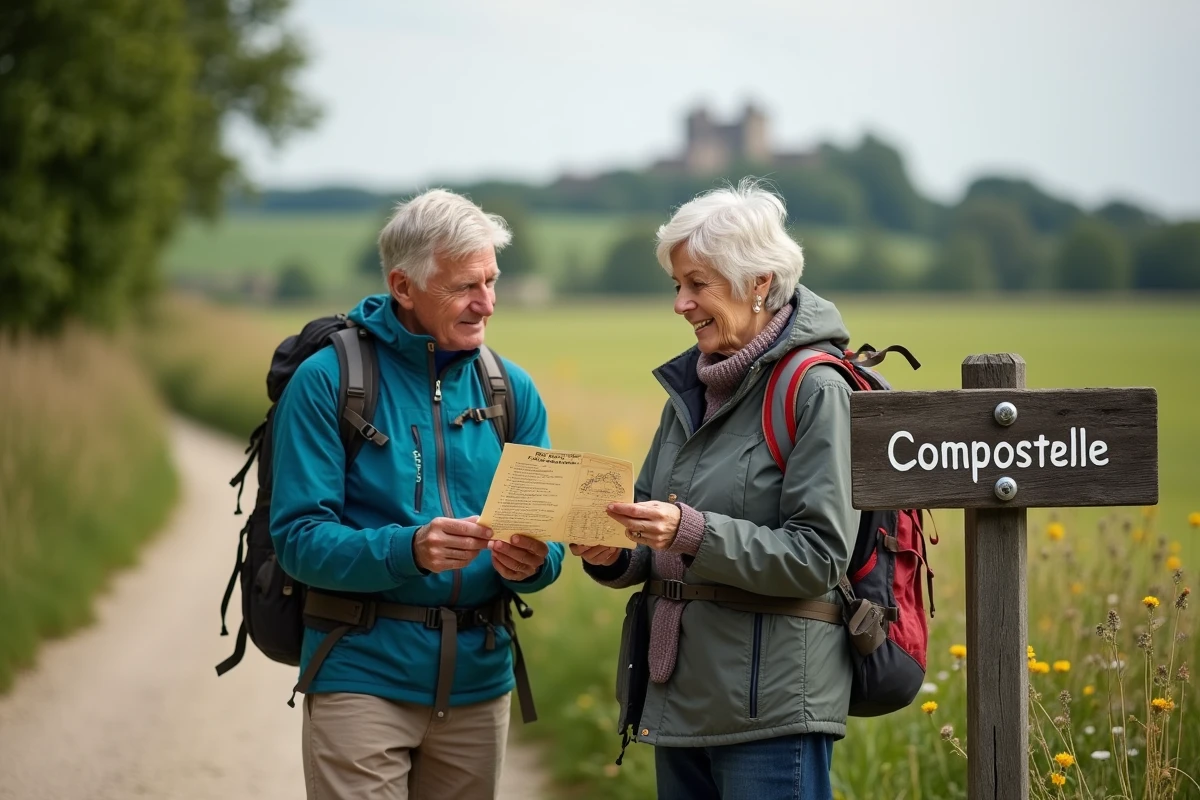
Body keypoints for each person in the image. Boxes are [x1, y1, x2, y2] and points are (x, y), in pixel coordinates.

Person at [270, 188, 564, 800]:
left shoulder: (511, 390)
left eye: (491, 281)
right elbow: (298, 540)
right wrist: (410, 549)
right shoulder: (327, 382)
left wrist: (535, 562)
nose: (486, 303)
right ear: (403, 287)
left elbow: (549, 541)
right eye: (464, 287)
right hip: (360, 676)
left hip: (480, 685)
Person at [572, 179, 859, 800]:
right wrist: (614, 553)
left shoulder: (815, 388)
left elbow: (819, 557)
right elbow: (655, 537)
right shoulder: (691, 391)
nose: (681, 304)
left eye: (697, 284)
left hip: (770, 710)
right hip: (678, 701)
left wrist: (690, 531)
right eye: (677, 285)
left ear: (758, 282)